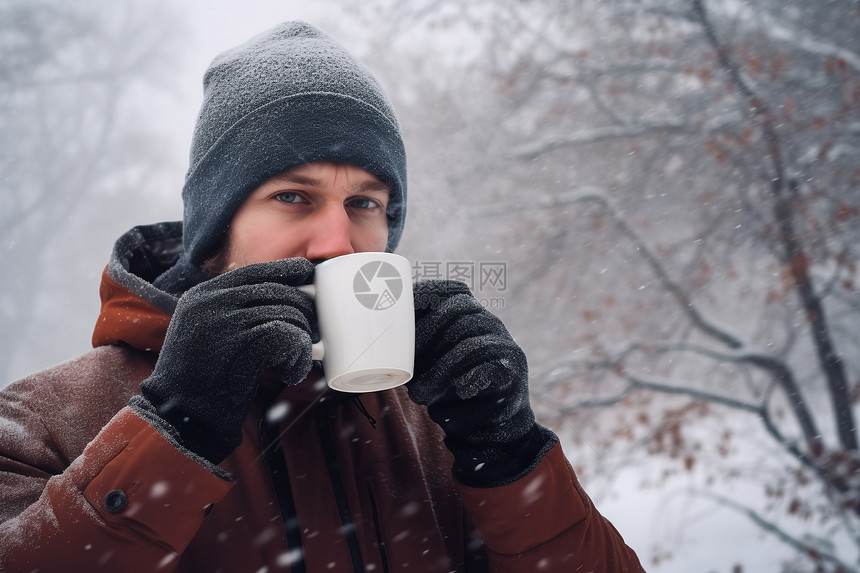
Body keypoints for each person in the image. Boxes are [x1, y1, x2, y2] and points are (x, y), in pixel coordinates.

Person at [0, 21, 644, 572]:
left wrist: (510, 455)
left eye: (364, 203)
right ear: (215, 228)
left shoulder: (436, 420)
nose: (338, 243)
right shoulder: (44, 421)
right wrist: (175, 425)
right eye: (293, 197)